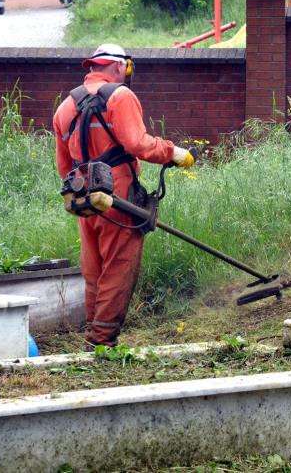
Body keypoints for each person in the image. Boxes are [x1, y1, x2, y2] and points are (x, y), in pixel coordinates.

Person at [53, 43, 194, 347]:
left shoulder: (66, 106)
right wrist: (174, 153)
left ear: (94, 67)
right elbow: (137, 144)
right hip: (118, 193)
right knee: (118, 266)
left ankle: (93, 333)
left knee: (95, 267)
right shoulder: (120, 96)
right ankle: (102, 341)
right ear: (119, 67)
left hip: (83, 196)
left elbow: (63, 166)